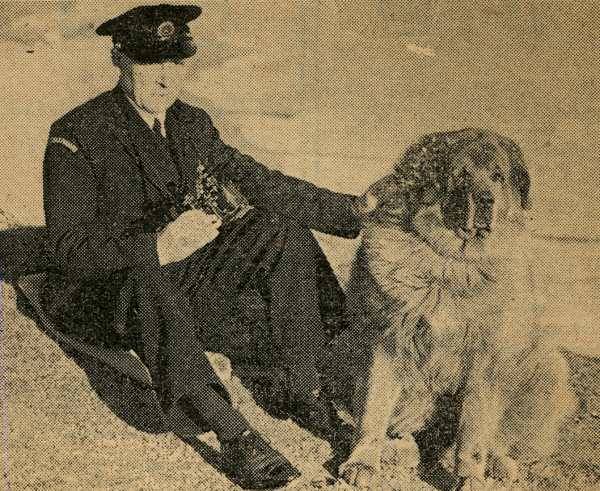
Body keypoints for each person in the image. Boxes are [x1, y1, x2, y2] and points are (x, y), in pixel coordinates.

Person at [40, 4, 366, 489]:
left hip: (178, 281)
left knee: (278, 227)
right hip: (108, 291)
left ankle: (307, 386)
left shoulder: (191, 123)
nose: (166, 77)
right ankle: (236, 436)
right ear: (118, 59)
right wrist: (156, 244)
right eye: (151, 63)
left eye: (176, 62)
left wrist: (356, 209)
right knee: (145, 277)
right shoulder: (77, 132)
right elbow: (68, 249)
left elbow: (260, 183)